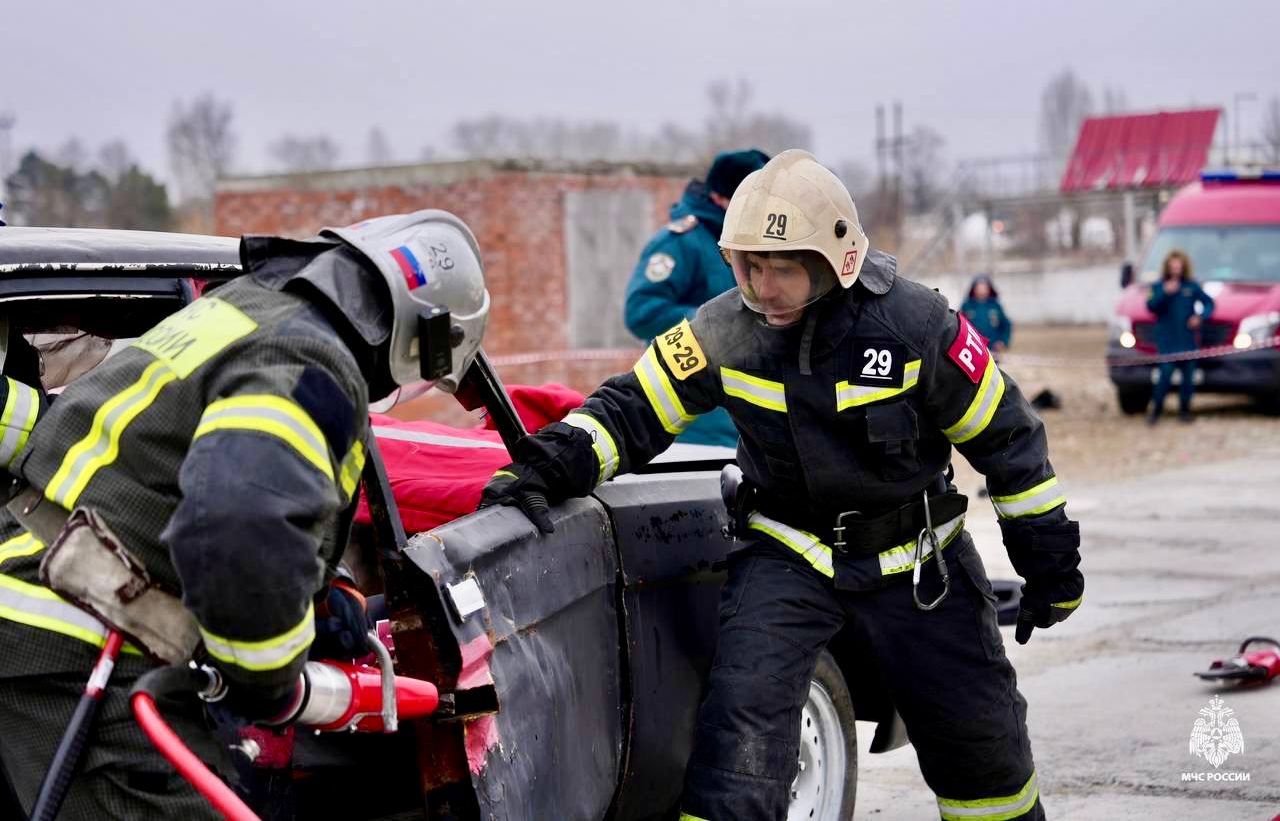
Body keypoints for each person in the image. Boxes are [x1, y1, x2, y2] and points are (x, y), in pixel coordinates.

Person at [482, 151, 1081, 820]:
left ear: (837, 264)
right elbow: (633, 409)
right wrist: (551, 461)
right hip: (785, 556)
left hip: (919, 564)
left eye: (784, 269)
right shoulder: (723, 330)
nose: (764, 288)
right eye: (751, 267)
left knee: (985, 758)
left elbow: (1007, 438)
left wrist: (1049, 560)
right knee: (735, 756)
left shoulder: (916, 328)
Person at [0, 209, 490, 817]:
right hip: (77, 634)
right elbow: (240, 526)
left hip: (57, 601)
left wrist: (320, 592)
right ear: (424, 336)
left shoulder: (247, 311)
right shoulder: (314, 364)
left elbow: (184, 471)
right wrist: (269, 679)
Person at [623, 148, 769, 447]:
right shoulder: (681, 242)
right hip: (697, 426)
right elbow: (641, 312)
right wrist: (714, 327)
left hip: (744, 424)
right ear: (722, 198)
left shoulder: (753, 244)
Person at [1146, 248, 1213, 425]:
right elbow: (1151, 307)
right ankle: (1156, 411)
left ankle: (1185, 411)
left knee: (1188, 380)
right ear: (1167, 268)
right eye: (1173, 267)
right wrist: (1165, 293)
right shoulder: (1158, 286)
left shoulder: (1191, 286)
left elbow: (1209, 303)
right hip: (1167, 341)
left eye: (1179, 267)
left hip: (1187, 340)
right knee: (1165, 377)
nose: (1176, 270)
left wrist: (1200, 317)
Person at [961, 274, 1012, 353]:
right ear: (974, 289)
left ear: (989, 289)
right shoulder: (967, 306)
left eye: (984, 288)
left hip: (992, 349)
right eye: (979, 288)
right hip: (972, 349)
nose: (981, 290)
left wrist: (1003, 341)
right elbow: (960, 326)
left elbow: (1006, 324)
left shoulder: (995, 306)